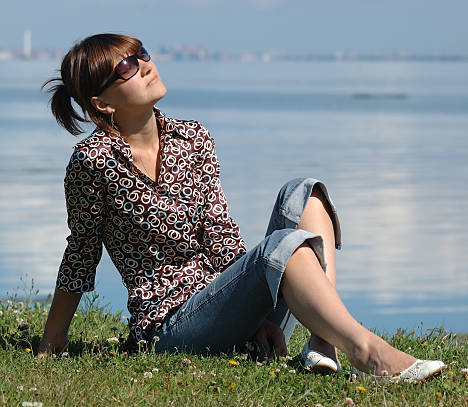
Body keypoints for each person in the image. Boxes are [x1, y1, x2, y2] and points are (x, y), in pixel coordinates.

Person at [36, 33, 445, 382]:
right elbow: (82, 251)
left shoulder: (193, 137)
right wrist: (53, 340)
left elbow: (219, 231)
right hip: (171, 325)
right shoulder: (93, 162)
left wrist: (256, 317)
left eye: (141, 53)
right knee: (281, 245)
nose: (144, 65)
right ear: (102, 103)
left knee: (304, 191)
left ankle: (323, 343)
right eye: (125, 67)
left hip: (225, 299)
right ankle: (367, 352)